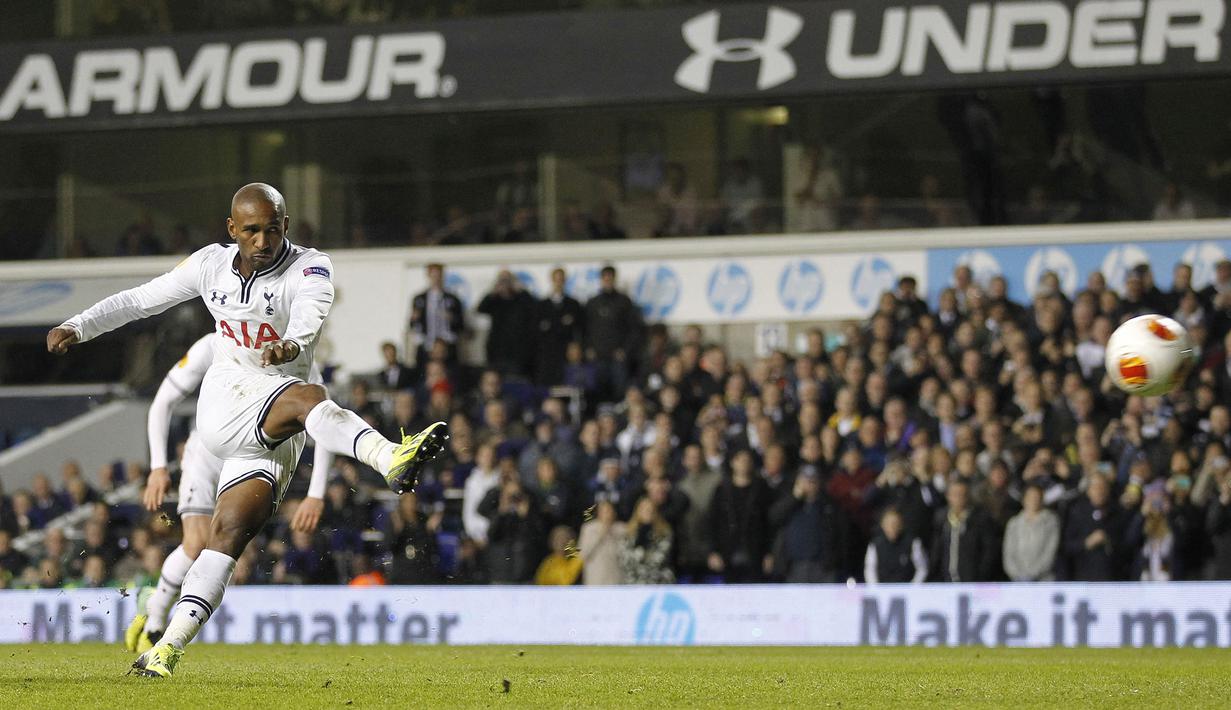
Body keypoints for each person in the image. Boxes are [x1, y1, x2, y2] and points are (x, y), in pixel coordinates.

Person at [47, 183, 448, 678]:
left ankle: (166, 648)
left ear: (287, 226)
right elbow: (140, 300)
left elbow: (312, 309)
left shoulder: (310, 265)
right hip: (225, 406)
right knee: (310, 399)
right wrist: (79, 325)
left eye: (273, 229)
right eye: (252, 230)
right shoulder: (208, 265)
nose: (263, 240)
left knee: (227, 539)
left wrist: (294, 342)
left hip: (274, 428)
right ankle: (389, 457)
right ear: (231, 229)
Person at [126, 332, 334, 653]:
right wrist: (157, 466)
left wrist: (316, 493)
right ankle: (154, 624)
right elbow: (163, 401)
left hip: (250, 459)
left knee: (224, 545)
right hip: (206, 455)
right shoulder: (213, 344)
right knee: (195, 544)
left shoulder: (295, 354)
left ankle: (156, 610)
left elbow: (325, 418)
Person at [477, 269, 537, 379]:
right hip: (496, 351)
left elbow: (533, 308)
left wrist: (521, 290)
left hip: (516, 352)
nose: (505, 283)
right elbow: (480, 308)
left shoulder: (520, 299)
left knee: (515, 379)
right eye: (502, 280)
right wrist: (493, 291)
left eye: (507, 280)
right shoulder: (495, 300)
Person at [534, 267, 585, 386]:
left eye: (561, 279)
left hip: (567, 354)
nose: (558, 282)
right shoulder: (542, 306)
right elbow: (537, 330)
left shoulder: (573, 304)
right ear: (551, 280)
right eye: (556, 279)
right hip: (547, 354)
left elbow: (579, 329)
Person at [1001, 484, 1060, 581]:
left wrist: (1033, 574)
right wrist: (1017, 574)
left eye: (1037, 497)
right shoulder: (1014, 523)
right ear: (1024, 499)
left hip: (1043, 580)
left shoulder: (1051, 521)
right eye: (1030, 497)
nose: (1033, 500)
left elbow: (1050, 551)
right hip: (1017, 579)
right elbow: (1009, 552)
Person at [409, 262, 465, 365]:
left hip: (447, 344)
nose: (436, 278)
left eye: (438, 275)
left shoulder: (453, 298)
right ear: (428, 276)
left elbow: (461, 324)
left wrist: (451, 318)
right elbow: (412, 324)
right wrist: (414, 319)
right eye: (433, 275)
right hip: (426, 344)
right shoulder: (419, 298)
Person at [864, 507, 928, 585]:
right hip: (883, 590)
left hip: (907, 590)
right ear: (883, 525)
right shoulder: (875, 545)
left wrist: (913, 587)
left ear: (901, 525)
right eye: (888, 524)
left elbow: (922, 569)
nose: (892, 527)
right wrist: (876, 588)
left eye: (895, 524)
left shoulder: (913, 543)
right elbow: (870, 569)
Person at [578, 499, 625, 585]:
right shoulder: (588, 528)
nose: (607, 513)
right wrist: (600, 535)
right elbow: (583, 555)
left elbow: (624, 555)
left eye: (610, 510)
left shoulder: (621, 529)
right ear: (598, 513)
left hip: (616, 580)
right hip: (594, 581)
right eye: (604, 511)